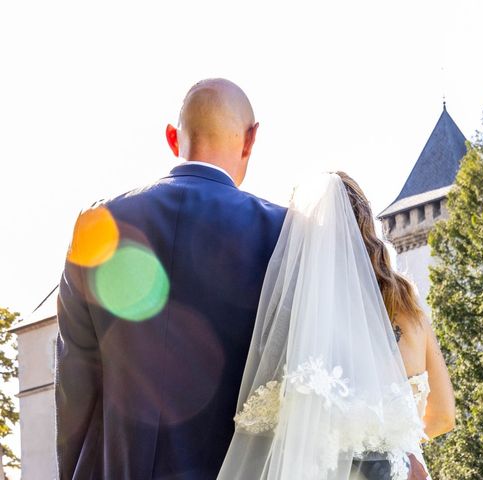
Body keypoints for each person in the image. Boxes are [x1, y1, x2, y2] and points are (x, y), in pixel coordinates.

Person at [55, 78, 287, 479]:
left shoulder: (97, 225)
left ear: (172, 138)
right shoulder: (281, 233)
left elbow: (73, 386)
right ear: (251, 139)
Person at [217, 172, 456, 480]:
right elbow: (444, 415)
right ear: (367, 226)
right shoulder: (409, 307)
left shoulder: (300, 315)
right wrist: (393, 445)